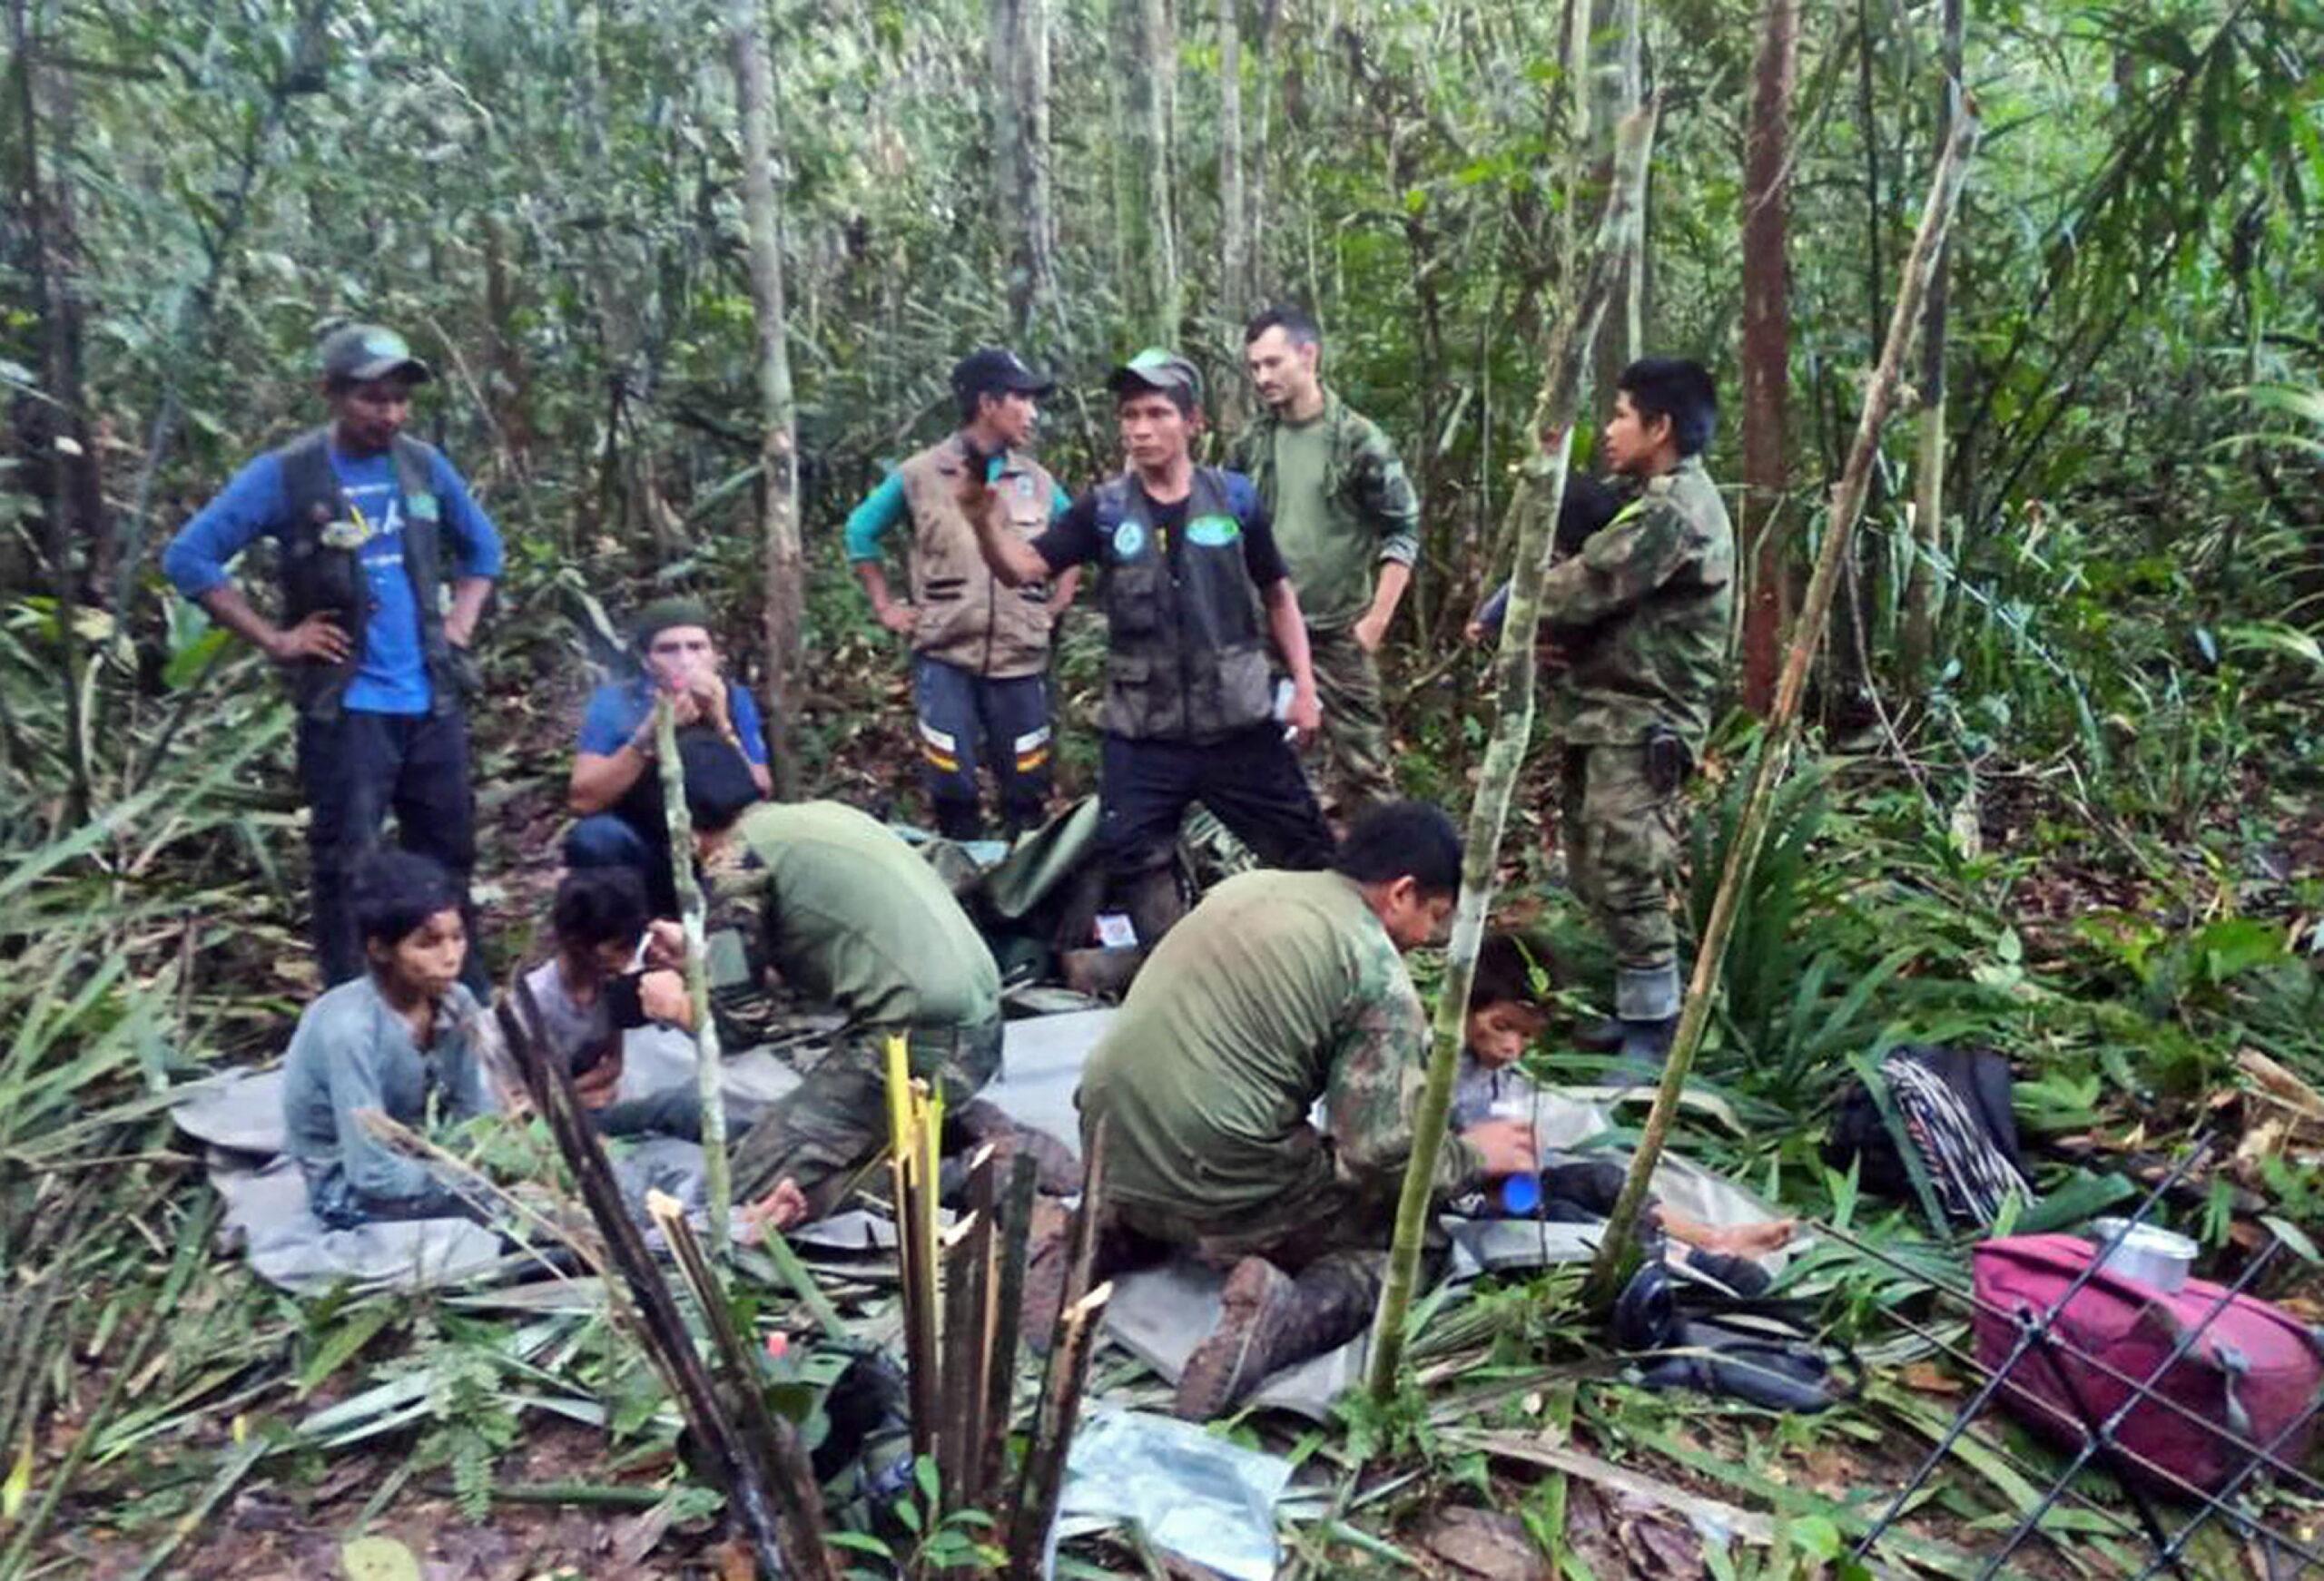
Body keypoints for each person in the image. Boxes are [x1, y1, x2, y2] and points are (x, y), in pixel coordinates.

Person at [1069, 802, 1540, 1419]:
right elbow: (1379, 1154)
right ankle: (1281, 1319)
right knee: (1410, 1248)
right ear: (1401, 892)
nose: (1425, 939)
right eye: (1433, 916)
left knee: (1225, 1149)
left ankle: (1102, 1234)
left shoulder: (1248, 888)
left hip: (1105, 1141)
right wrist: (1476, 1154)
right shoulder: (1375, 972)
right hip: (1215, 1173)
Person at [163, 323, 504, 993]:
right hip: (349, 709)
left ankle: (465, 995)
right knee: (348, 863)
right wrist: (276, 638)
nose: (391, 414)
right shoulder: (288, 475)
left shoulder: (421, 467)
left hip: (431, 698)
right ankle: (356, 1003)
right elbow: (189, 558)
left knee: (449, 853)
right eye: (372, 399)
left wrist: (458, 625)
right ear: (330, 393)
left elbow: (483, 551)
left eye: (400, 399)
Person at [959, 349, 1335, 948]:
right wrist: (981, 519)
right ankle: (1177, 967)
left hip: (1237, 721)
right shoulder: (1103, 511)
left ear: (1194, 423)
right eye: (1129, 415)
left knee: (1307, 852)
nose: (1140, 429)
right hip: (1144, 730)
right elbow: (1022, 568)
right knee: (1132, 852)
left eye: (1157, 413)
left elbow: (1278, 595)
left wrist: (1306, 689)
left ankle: (1318, 963)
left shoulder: (1234, 499)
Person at [644, 739, 1008, 1233]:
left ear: (681, 827)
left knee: (738, 1194)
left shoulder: (735, 864)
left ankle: (963, 1178)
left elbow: (738, 1027)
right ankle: (946, 1135)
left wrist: (677, 1006)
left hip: (919, 1045)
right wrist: (701, 953)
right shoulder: (817, 817)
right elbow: (819, 953)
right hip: (980, 1028)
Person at [1534, 358, 1734, 1068]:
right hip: (1606, 712)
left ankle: (1655, 1030)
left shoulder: (1674, 512)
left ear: (1661, 427)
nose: (1609, 429)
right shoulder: (1646, 496)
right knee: (1595, 865)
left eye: (1621, 415)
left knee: (1629, 868)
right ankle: (1633, 1009)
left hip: (1644, 720)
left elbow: (1585, 585)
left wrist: (1513, 606)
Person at [1451, 933, 1793, 1278]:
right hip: (1461, 1201)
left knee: (1603, 1181)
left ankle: (1710, 1239)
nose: (1512, 1047)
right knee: (1562, 1218)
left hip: (1504, 1189)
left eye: (1526, 1036)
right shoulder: (1432, 1069)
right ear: (1463, 1006)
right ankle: (1682, 1263)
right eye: (1501, 1026)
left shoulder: (1497, 1073)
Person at [844, 349, 1079, 840]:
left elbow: (1074, 538)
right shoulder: (919, 474)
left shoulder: (1037, 481)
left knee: (1027, 782)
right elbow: (860, 532)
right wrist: (886, 607)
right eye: (1023, 400)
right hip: (945, 653)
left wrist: (1057, 604)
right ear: (988, 403)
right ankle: (960, 879)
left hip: (1020, 657)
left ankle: (1025, 888)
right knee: (951, 780)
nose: (1033, 413)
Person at [1232, 306, 1421, 822]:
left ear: (1308, 355)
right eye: (1254, 368)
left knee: (1364, 770)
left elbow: (1403, 528)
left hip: (1340, 633)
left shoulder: (1359, 441)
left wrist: (1375, 623)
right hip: (1267, 635)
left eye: (1272, 363)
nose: (1263, 378)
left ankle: (1384, 884)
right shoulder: (1252, 444)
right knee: (1271, 767)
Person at [281, 849, 492, 1227]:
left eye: (457, 938)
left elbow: (474, 1111)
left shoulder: (458, 1002)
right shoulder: (351, 1030)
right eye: (428, 944)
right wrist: (465, 1181)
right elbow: (370, 1171)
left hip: (430, 1158)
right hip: (350, 1186)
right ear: (379, 950)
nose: (450, 957)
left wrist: (484, 1159)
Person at [566, 598, 773, 910]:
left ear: (714, 656)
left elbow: (761, 789)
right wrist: (648, 736)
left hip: (718, 843)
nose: (684, 659)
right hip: (646, 842)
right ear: (647, 661)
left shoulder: (733, 697)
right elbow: (583, 799)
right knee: (595, 839)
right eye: (668, 649)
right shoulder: (617, 702)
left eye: (696, 647)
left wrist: (721, 723)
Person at [515, 868, 704, 1139]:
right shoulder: (535, 1003)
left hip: (591, 1106)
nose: (628, 961)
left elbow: (613, 1067)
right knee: (669, 1110)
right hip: (553, 1128)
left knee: (686, 1104)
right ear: (576, 943)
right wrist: (575, 1098)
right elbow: (523, 1101)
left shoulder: (611, 986)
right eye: (618, 949)